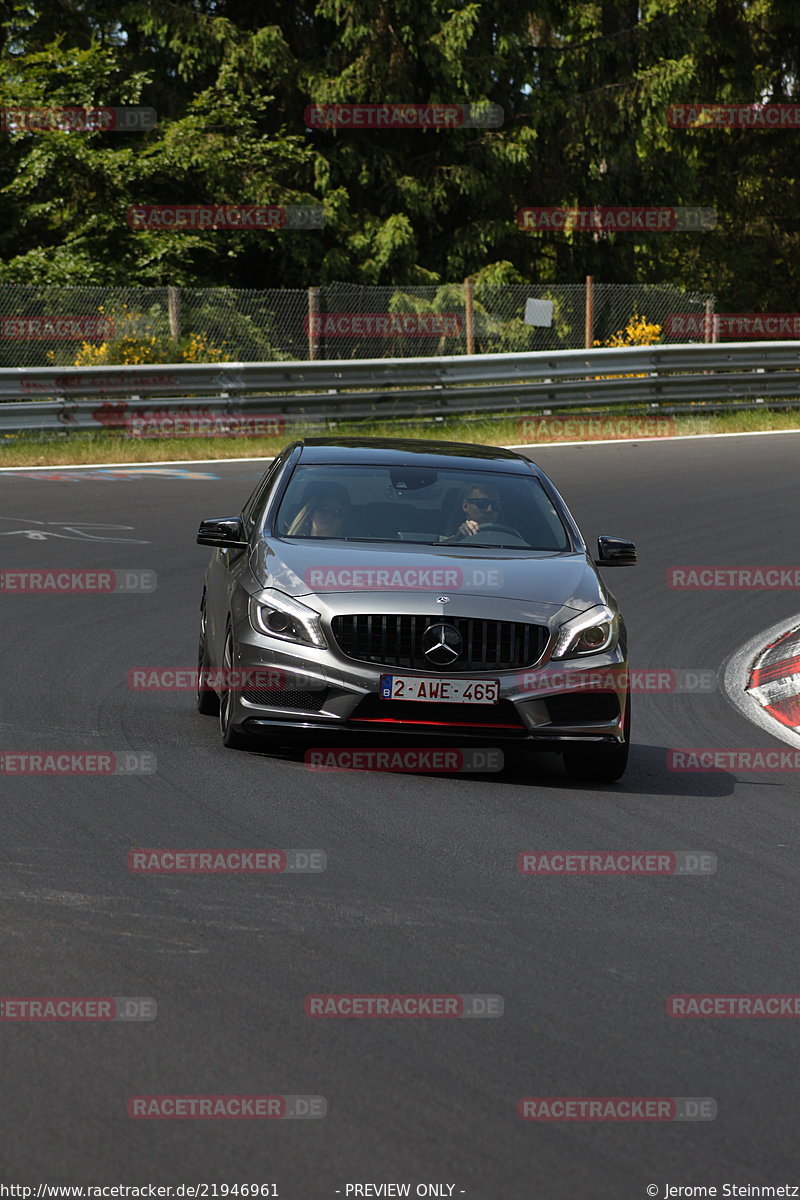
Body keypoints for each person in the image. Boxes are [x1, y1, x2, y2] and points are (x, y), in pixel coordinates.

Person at [440, 483, 504, 542]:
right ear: (465, 506)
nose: (489, 510)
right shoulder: (439, 539)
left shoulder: (511, 538)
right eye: (482, 503)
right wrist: (458, 539)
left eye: (496, 504)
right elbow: (438, 551)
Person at [285, 482, 351, 537]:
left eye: (337, 512)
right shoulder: (289, 545)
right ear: (311, 513)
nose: (330, 516)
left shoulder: (351, 549)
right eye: (324, 510)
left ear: (343, 519)